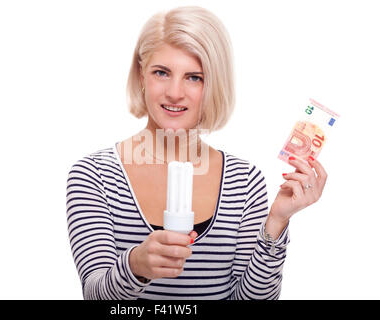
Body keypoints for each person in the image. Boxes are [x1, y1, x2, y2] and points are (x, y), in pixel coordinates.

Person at [66, 6, 327, 300]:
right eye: (161, 73)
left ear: (214, 84)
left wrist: (276, 223)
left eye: (194, 77)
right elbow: (95, 295)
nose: (175, 93)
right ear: (141, 75)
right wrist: (136, 265)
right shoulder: (94, 175)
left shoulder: (244, 181)